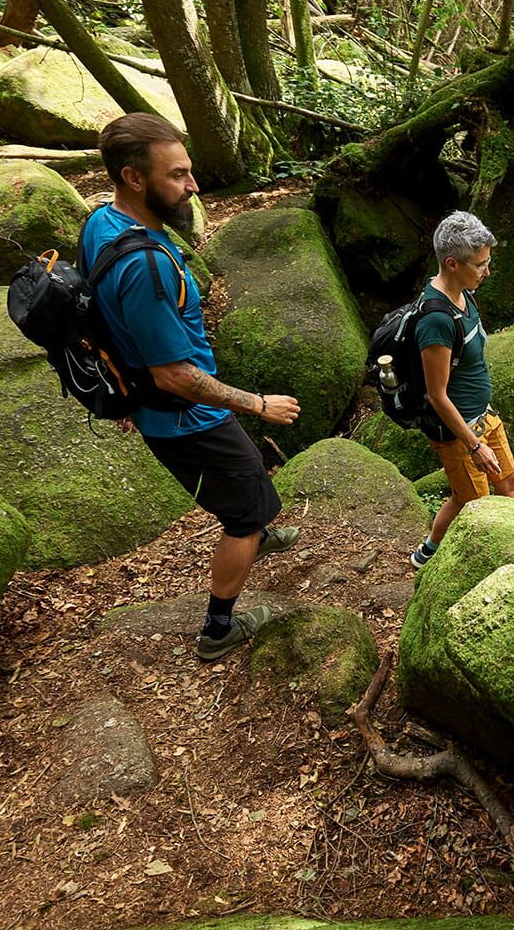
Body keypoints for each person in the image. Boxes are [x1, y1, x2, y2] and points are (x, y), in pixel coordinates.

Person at [88, 113, 302, 661]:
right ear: (134, 178)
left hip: (167, 406)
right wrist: (257, 403)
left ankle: (259, 525)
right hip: (185, 416)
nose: (193, 186)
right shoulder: (145, 265)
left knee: (251, 470)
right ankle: (218, 628)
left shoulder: (101, 225)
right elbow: (175, 375)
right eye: (178, 175)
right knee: (242, 511)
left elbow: (102, 319)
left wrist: (124, 386)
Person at [409, 211, 514, 569]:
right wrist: (474, 446)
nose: (486, 272)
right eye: (480, 265)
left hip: (483, 416)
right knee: (473, 501)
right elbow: (436, 395)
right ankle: (437, 554)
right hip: (458, 433)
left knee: (508, 481)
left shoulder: (464, 294)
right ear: (453, 264)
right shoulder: (436, 320)